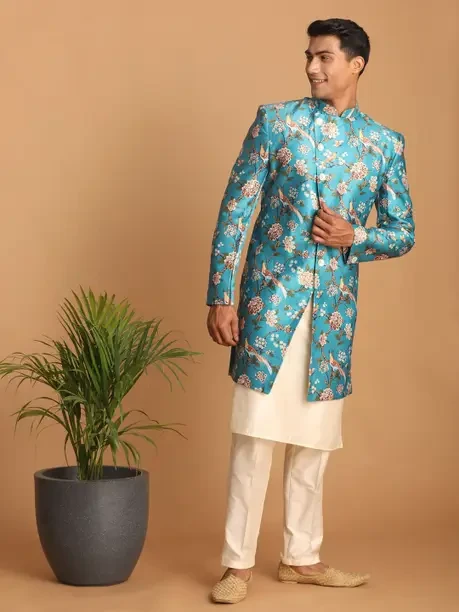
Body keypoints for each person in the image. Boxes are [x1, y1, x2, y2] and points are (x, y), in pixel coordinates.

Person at [205, 17, 415, 604]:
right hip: (269, 305)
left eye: (324, 57)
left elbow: (403, 231)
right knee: (254, 436)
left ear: (356, 64)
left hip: (332, 318)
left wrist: (356, 236)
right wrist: (221, 295)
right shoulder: (276, 122)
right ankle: (237, 565)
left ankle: (302, 558)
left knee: (315, 441)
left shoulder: (384, 143)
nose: (312, 67)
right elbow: (236, 209)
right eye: (308, 56)